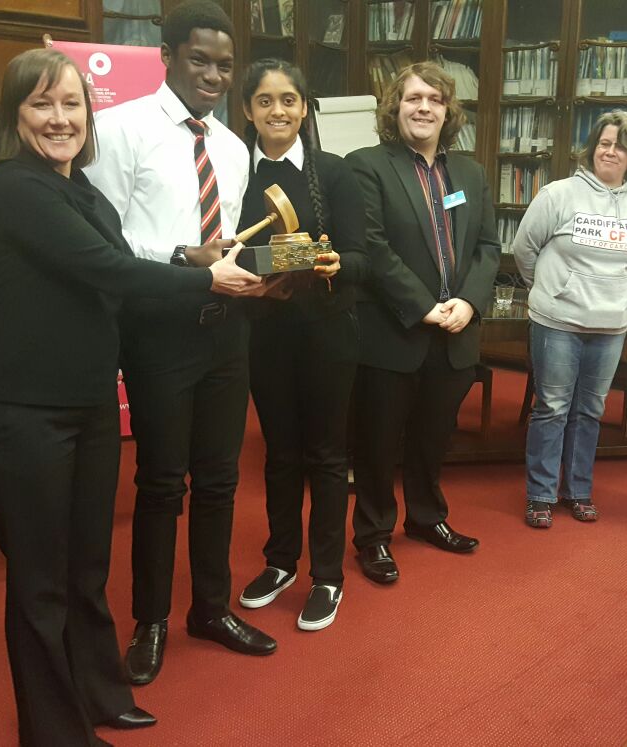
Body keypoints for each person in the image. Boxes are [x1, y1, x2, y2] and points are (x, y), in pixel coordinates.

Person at [0, 48, 259, 746]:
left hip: (90, 400)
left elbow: (123, 267)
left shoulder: (85, 193)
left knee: (86, 566)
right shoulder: (12, 188)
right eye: (42, 104)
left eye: (72, 104)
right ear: (14, 116)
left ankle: (100, 691)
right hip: (24, 408)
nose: (61, 119)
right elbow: (110, 269)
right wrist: (206, 281)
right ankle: (52, 730)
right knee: (41, 582)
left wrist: (191, 264)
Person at [83, 1, 275, 687]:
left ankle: (212, 609)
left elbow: (223, 238)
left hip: (228, 330)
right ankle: (152, 620)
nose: (214, 75)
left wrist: (231, 265)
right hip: (160, 331)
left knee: (221, 478)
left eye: (225, 65)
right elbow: (102, 238)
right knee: (163, 482)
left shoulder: (230, 145)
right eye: (200, 60)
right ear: (166, 55)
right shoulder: (117, 129)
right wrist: (181, 258)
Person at [345, 62, 501, 583]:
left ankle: (427, 518)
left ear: (447, 111)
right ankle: (372, 535)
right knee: (377, 441)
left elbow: (487, 246)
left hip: (456, 332)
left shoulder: (472, 174)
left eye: (434, 99)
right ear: (395, 108)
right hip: (395, 330)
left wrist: (470, 303)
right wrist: (421, 305)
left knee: (433, 438)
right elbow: (371, 246)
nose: (424, 107)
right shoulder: (366, 165)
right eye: (413, 98)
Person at [231, 59, 366, 631]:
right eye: (265, 101)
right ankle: (281, 560)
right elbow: (226, 254)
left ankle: (328, 575)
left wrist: (336, 262)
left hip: (328, 337)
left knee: (327, 459)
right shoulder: (237, 174)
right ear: (247, 110)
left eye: (289, 99)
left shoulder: (334, 174)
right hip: (264, 340)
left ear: (305, 108)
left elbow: (363, 257)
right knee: (281, 455)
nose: (278, 110)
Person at [511, 110, 627, 528]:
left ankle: (577, 490)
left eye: (620, 145)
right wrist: (554, 289)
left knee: (590, 409)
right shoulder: (557, 195)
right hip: (558, 320)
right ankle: (540, 494)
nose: (610, 152)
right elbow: (525, 249)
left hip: (612, 324)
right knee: (552, 407)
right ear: (592, 149)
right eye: (604, 143)